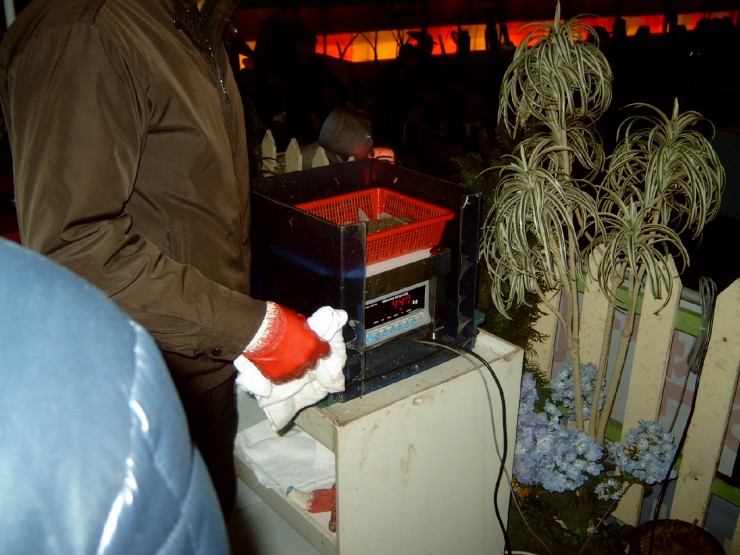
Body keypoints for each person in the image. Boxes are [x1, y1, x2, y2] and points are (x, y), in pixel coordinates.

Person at [0, 0, 347, 520]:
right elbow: (74, 251)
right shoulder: (86, 30)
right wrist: (255, 328)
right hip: (132, 389)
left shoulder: (195, 23)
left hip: (199, 364)